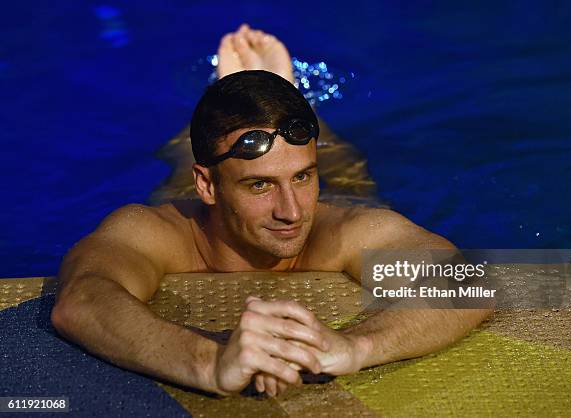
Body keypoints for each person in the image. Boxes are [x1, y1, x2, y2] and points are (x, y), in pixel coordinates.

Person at [51, 24, 493, 397]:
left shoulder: (344, 230)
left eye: (303, 177)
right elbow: (83, 299)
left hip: (332, 191)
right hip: (202, 190)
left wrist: (354, 348)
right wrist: (210, 363)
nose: (292, 212)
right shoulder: (161, 233)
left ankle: (283, 99)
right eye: (259, 185)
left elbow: (471, 283)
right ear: (208, 187)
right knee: (185, 162)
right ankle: (230, 102)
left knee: (345, 176)